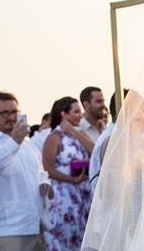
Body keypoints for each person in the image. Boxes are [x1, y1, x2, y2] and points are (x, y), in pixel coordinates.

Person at [0, 91, 52, 251]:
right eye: (5, 113)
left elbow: (41, 171)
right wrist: (14, 142)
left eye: (14, 112)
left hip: (36, 226)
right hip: (6, 230)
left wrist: (44, 182)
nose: (11, 117)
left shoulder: (28, 145)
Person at [42, 97, 92, 251]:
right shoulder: (53, 138)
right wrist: (72, 179)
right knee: (65, 241)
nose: (80, 115)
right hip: (64, 198)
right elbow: (48, 169)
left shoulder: (79, 134)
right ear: (63, 114)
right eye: (76, 112)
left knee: (82, 239)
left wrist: (73, 132)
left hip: (83, 196)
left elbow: (95, 151)